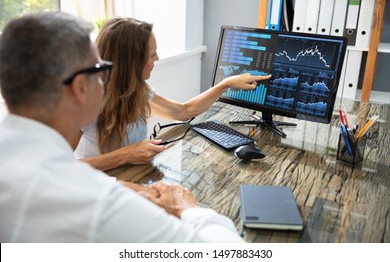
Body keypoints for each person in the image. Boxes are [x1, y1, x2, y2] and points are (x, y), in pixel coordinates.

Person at [0, 11, 245, 242]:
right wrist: (188, 208)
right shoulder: (101, 205)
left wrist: (225, 84)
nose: (104, 79)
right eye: (100, 69)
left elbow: (182, 111)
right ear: (80, 88)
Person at [74, 17, 271, 171]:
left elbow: (184, 111)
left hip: (129, 178)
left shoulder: (137, 89)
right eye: (152, 55)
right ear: (131, 63)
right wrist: (126, 155)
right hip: (94, 186)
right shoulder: (83, 100)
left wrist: (225, 84)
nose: (157, 58)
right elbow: (59, 169)